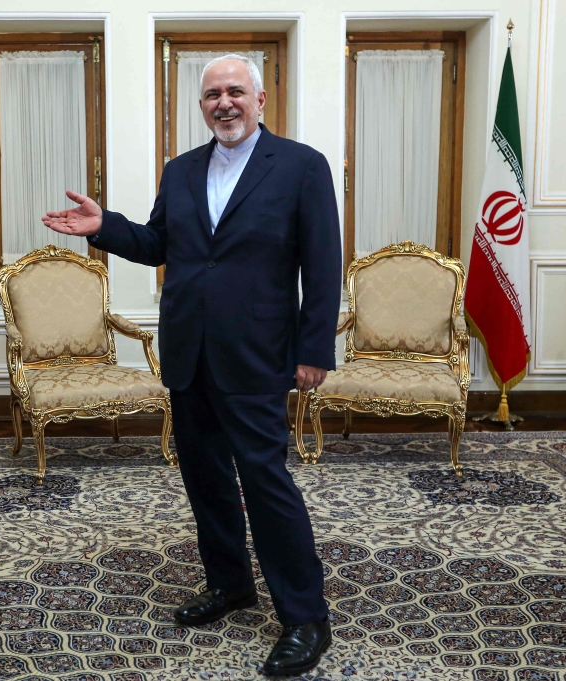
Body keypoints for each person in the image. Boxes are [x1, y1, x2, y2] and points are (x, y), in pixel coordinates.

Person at [43, 53, 341, 676]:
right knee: (205, 480)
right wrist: (106, 227)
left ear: (261, 100)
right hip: (188, 351)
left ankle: (306, 617)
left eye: (236, 92)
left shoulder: (301, 167)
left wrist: (314, 349)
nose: (224, 103)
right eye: (212, 95)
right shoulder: (180, 171)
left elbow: (322, 262)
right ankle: (230, 584)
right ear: (201, 106)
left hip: (257, 356)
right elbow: (160, 243)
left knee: (266, 483)